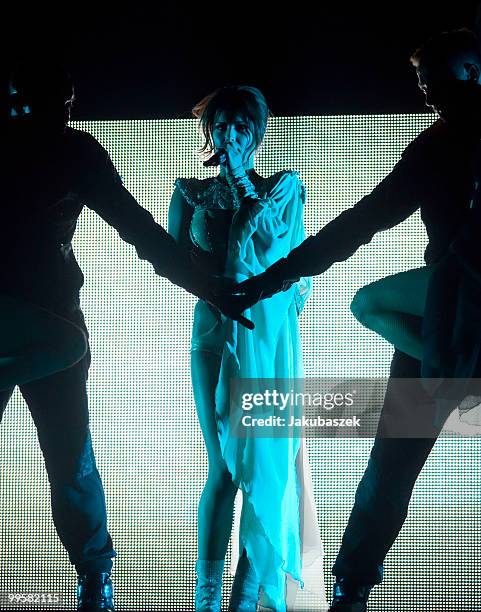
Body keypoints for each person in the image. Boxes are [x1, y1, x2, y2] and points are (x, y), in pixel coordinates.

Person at [228, 29, 481, 611]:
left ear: (467, 71)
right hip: (440, 314)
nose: (426, 93)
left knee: (392, 462)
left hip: (442, 314)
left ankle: (352, 587)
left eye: (433, 79)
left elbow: (358, 224)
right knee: (392, 462)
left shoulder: (439, 145)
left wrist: (275, 277)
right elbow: (360, 223)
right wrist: (276, 276)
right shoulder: (434, 147)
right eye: (423, 82)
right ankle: (351, 586)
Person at [2, 57, 244, 612]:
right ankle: (95, 579)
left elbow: (142, 233)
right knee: (72, 460)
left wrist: (205, 286)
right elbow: (142, 233)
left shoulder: (75, 154)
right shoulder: (73, 151)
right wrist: (208, 287)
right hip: (52, 327)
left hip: (51, 326)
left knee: (71, 459)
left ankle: (94, 579)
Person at [168, 85, 326, 612]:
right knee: (223, 466)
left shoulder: (283, 189)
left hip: (267, 339)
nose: (229, 134)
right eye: (220, 125)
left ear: (256, 133)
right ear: (207, 131)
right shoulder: (188, 192)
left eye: (240, 126)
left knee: (265, 464)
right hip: (212, 333)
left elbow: (291, 264)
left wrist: (241, 184)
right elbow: (174, 265)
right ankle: (207, 598)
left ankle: (245, 595)